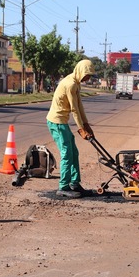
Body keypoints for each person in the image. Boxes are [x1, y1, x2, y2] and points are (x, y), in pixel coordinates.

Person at [46, 59, 95, 198]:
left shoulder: (76, 83)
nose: (88, 78)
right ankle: (63, 186)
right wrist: (81, 129)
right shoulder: (70, 84)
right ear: (81, 71)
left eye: (90, 75)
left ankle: (74, 183)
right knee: (67, 153)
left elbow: (80, 106)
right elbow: (74, 110)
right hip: (56, 122)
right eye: (87, 75)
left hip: (62, 122)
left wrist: (86, 125)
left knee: (74, 152)